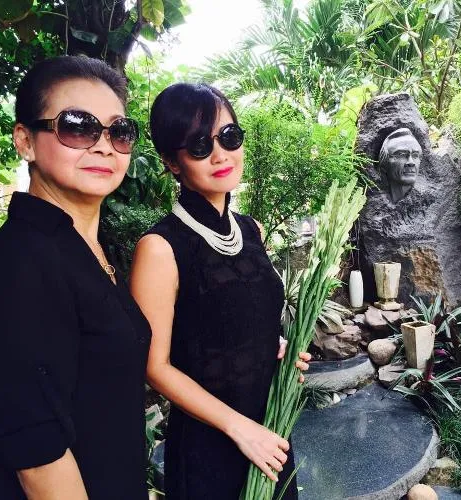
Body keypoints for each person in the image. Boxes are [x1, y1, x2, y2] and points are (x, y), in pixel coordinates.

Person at [0, 56, 150, 499]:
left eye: (119, 131)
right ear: (25, 140)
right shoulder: (21, 263)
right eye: (78, 127)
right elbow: (39, 458)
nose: (104, 146)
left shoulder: (82, 248)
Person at [130, 83, 311, 500]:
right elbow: (155, 367)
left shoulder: (251, 230)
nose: (220, 154)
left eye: (229, 137)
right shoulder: (159, 248)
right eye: (199, 145)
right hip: (211, 447)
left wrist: (275, 348)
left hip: (270, 433)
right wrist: (239, 428)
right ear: (171, 162)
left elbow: (241, 317)